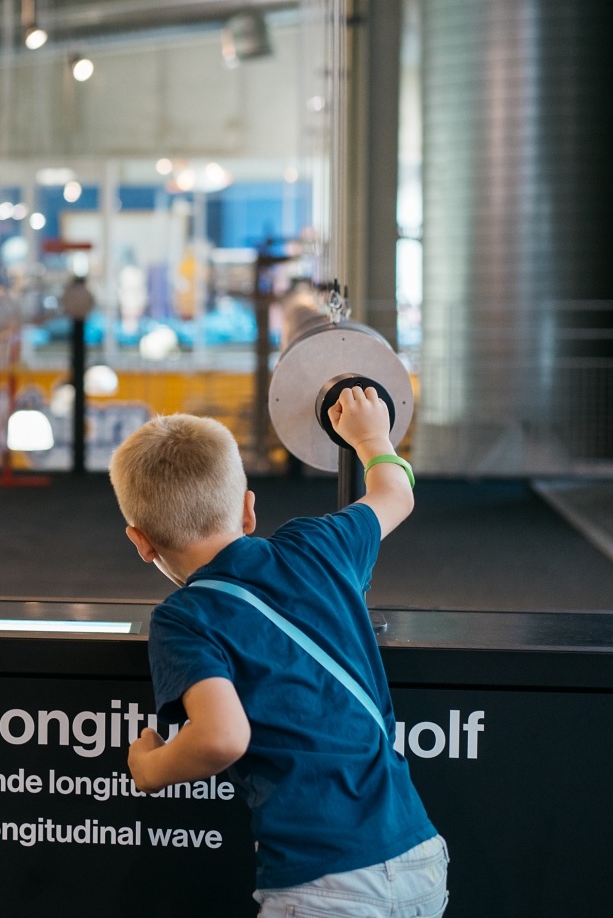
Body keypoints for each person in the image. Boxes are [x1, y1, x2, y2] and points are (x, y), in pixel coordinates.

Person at [108, 387, 445, 918]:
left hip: (324, 882)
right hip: (418, 857)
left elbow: (222, 735)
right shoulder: (319, 544)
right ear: (247, 510)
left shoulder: (184, 617)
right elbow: (396, 493)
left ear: (141, 541)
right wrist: (371, 437)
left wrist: (150, 770)